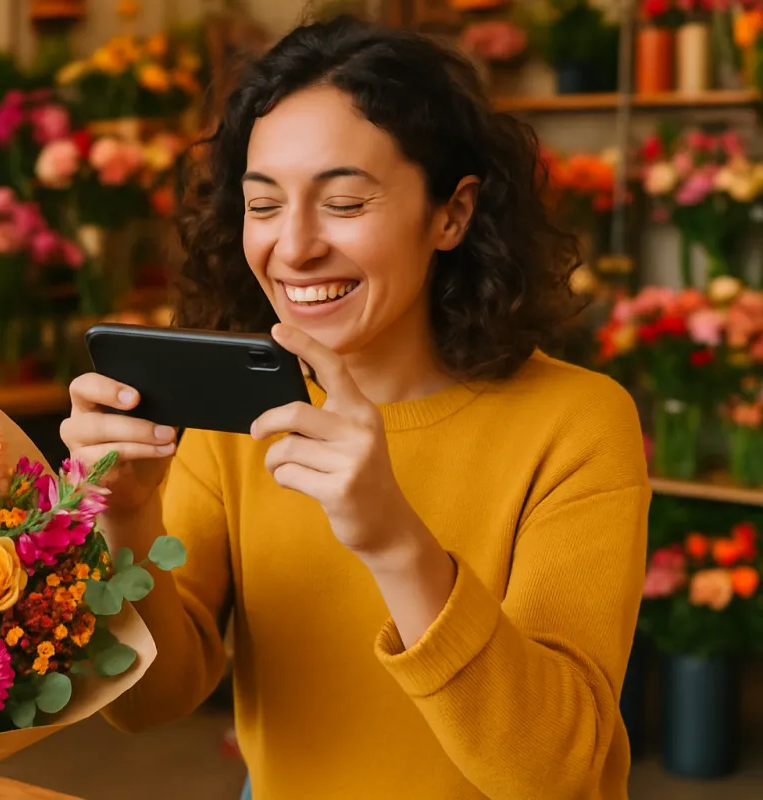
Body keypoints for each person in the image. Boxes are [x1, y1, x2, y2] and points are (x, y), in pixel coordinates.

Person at [61, 17, 649, 800]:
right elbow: (148, 704)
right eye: (263, 206)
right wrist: (125, 520)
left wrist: (395, 542)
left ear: (453, 213)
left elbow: (556, 773)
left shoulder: (575, 424)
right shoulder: (232, 417)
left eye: (343, 202)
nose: (294, 247)